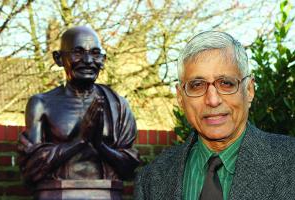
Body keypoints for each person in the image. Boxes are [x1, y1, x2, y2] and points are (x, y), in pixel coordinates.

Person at [134, 31, 295, 200]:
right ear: (181, 98)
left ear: (249, 90)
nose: (212, 100)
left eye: (226, 83)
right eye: (197, 85)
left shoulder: (290, 162)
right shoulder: (151, 179)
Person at [18, 26, 139, 185]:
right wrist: (79, 141)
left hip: (105, 194)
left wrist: (100, 145)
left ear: (103, 59)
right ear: (58, 58)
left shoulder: (118, 105)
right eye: (78, 52)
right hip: (57, 194)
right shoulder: (41, 104)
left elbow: (130, 168)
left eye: (95, 53)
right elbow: (31, 169)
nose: (88, 61)